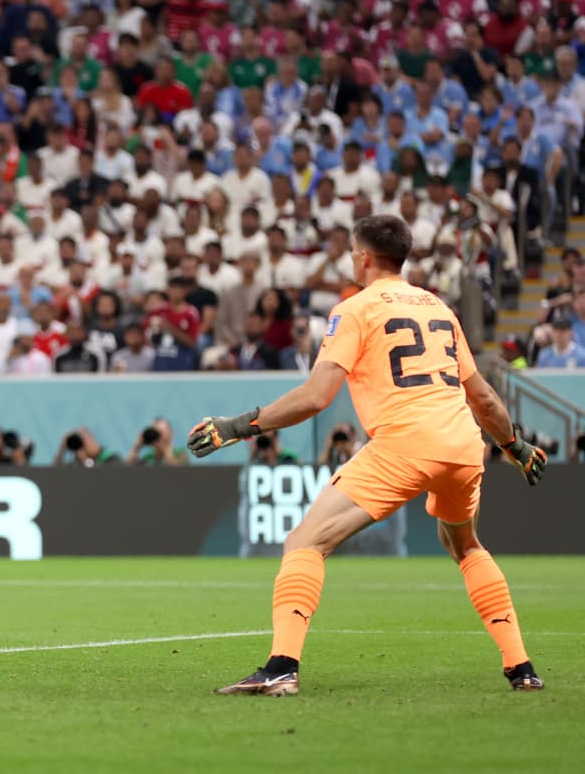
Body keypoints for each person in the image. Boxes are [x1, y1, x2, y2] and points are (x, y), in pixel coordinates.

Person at [189, 215, 547, 696]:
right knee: (466, 546)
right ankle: (521, 667)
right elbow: (482, 397)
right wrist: (517, 447)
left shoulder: (354, 309)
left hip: (403, 443)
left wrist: (237, 426)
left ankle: (281, 667)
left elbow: (316, 396)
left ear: (362, 257)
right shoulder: (438, 308)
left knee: (303, 543)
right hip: (464, 444)